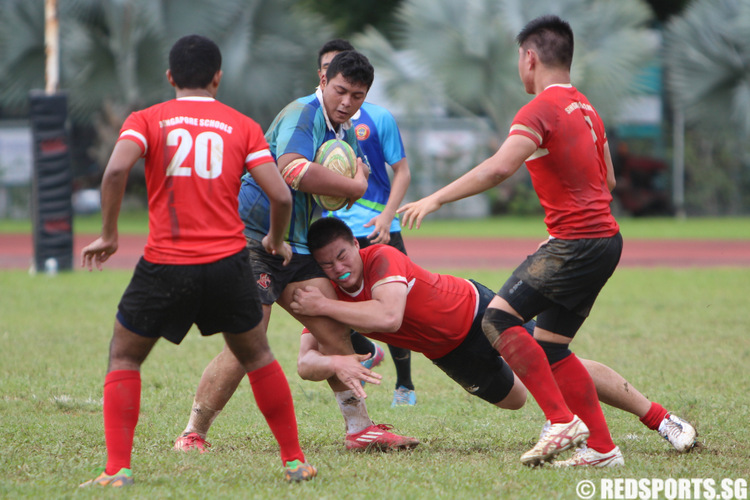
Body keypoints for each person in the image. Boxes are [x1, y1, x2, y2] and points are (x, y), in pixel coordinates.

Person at [78, 35, 316, 486]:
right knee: (259, 356)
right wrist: (275, 239)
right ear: (217, 78)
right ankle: (293, 461)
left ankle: (117, 470)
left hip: (165, 263)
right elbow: (281, 193)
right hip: (228, 264)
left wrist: (109, 234)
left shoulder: (146, 119)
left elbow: (113, 171)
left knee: (125, 357)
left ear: (170, 77)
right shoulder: (241, 125)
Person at [399, 15, 628, 467]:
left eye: (518, 61)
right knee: (551, 346)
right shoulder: (588, 109)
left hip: (575, 243)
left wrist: (436, 198)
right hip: (607, 240)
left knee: (498, 320)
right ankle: (603, 449)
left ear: (530, 58)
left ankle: (561, 422)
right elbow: (611, 180)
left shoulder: (538, 110)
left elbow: (499, 168)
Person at [172, 49, 419, 454]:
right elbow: (292, 169)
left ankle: (360, 430)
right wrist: (355, 186)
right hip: (255, 238)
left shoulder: (342, 129)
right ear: (323, 82)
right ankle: (192, 434)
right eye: (340, 91)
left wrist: (345, 189)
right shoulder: (302, 114)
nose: (347, 102)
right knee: (249, 337)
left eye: (357, 96)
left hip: (298, 244)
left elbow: (323, 191)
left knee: (332, 330)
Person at [291, 217, 697, 455]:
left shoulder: (379, 258)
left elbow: (389, 316)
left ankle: (662, 419)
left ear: (355, 246)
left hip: (478, 312)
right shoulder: (329, 296)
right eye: (327, 265)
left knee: (556, 362)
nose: (338, 268)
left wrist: (324, 308)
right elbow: (305, 363)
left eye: (342, 256)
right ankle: (565, 420)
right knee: (515, 399)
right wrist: (334, 360)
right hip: (449, 353)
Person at [317, 39, 416, 406]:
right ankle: (364, 351)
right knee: (328, 305)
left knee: (396, 310)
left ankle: (405, 386)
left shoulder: (378, 118)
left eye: (351, 88)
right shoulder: (311, 121)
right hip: (329, 231)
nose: (343, 94)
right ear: (323, 77)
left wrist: (388, 216)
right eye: (331, 73)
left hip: (377, 229)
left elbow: (402, 171)